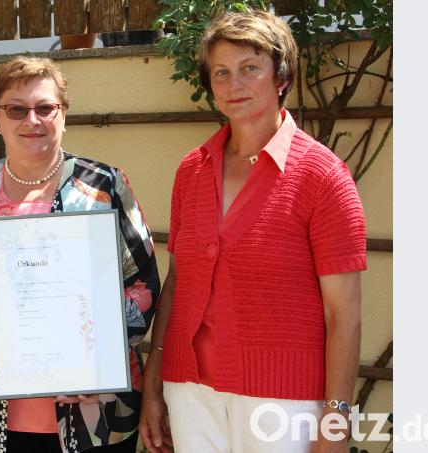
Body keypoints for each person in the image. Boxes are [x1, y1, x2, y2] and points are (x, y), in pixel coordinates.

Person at [138, 9, 366, 453]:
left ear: (281, 77)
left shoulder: (322, 176)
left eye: (249, 68)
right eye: (221, 73)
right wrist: (155, 381)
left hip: (283, 401)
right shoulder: (192, 171)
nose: (233, 84)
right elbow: (178, 285)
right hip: (189, 394)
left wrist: (335, 421)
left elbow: (346, 315)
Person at [0, 56, 160, 453]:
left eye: (46, 108)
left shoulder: (104, 187)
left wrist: (98, 363)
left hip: (93, 415)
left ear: (63, 114)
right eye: (16, 109)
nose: (32, 120)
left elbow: (144, 285)